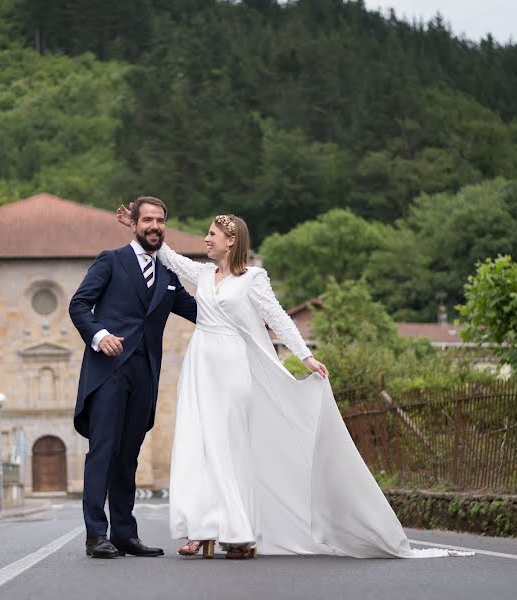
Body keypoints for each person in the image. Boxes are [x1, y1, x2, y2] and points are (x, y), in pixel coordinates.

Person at [116, 206, 469, 560]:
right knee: (198, 445)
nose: (206, 239)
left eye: (212, 234)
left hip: (233, 366)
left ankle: (240, 532)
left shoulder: (253, 279)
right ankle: (205, 527)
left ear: (231, 241)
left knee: (231, 446)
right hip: (199, 365)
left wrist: (305, 356)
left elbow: (277, 317)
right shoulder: (204, 274)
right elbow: (167, 255)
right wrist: (135, 224)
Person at [69, 196, 198, 559]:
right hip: (107, 372)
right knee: (103, 452)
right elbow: (79, 304)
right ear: (135, 224)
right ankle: (97, 534)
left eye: (160, 221)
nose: (155, 226)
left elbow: (202, 313)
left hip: (145, 375)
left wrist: (248, 318)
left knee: (128, 457)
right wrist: (99, 335)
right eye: (148, 220)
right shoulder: (111, 260)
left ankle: (125, 533)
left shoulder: (169, 277)